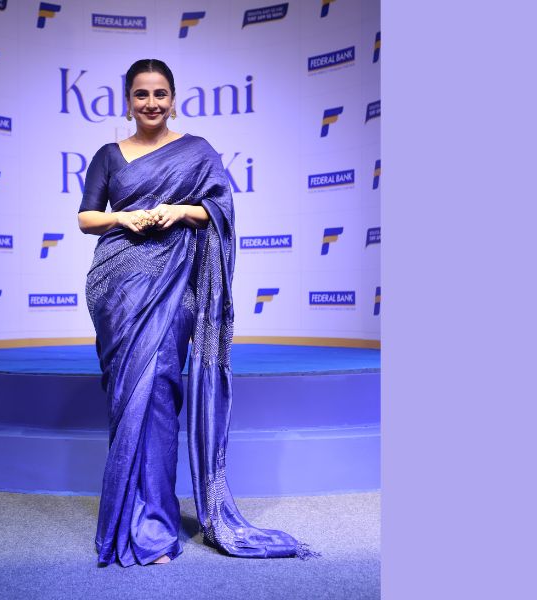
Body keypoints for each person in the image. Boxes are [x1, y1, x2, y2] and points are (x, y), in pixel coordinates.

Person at [78, 59, 318, 567]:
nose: (151, 103)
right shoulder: (108, 155)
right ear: (127, 101)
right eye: (141, 94)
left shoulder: (198, 152)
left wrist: (181, 210)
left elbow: (222, 209)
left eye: (159, 94)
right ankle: (126, 516)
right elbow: (86, 217)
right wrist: (124, 218)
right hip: (117, 288)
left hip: (174, 289)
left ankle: (155, 525)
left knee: (160, 394)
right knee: (127, 399)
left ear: (173, 99)